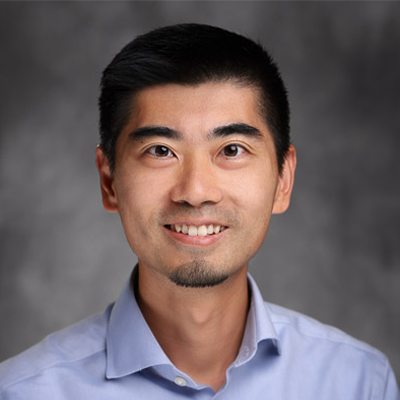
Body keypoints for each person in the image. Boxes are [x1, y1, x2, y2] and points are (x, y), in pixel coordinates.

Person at [0, 23, 398, 399]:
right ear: (109, 182)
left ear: (283, 179)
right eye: (160, 151)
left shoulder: (358, 382)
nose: (195, 192)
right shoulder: (25, 391)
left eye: (231, 150)